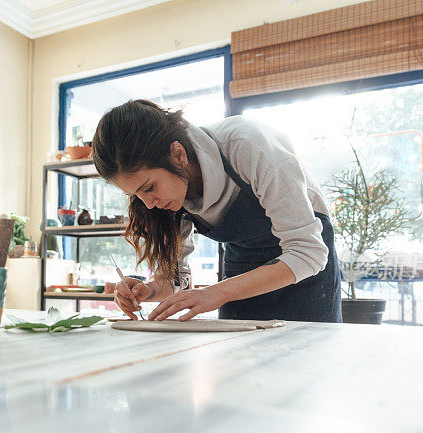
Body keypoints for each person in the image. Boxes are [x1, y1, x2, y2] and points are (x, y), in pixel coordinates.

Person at [91, 99, 341, 323]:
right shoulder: (166, 197)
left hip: (306, 273)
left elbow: (308, 253)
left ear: (177, 155)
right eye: (136, 195)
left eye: (149, 187)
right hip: (241, 269)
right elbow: (178, 281)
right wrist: (150, 290)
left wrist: (217, 292)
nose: (147, 204)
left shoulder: (248, 145)